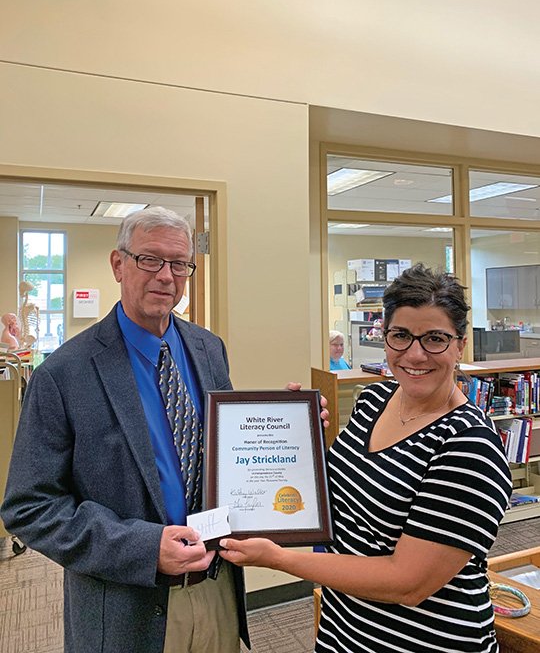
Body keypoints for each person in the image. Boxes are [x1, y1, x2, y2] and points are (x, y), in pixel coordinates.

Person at [2, 206, 324, 653]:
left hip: (217, 586)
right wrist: (144, 547)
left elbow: (227, 454)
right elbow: (29, 506)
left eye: (179, 264)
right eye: (149, 259)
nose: (166, 276)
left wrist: (291, 428)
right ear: (118, 264)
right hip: (126, 607)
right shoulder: (63, 374)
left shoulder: (208, 349)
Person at [219, 264, 513, 653]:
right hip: (345, 631)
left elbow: (408, 582)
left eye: (436, 339)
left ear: (460, 345)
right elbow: (346, 495)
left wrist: (277, 559)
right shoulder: (373, 401)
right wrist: (291, 431)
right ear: (385, 338)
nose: (416, 353)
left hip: (425, 642)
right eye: (401, 336)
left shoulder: (469, 445)